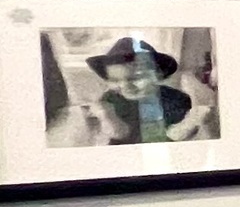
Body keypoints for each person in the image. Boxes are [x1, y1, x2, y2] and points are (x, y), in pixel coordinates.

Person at [72, 35, 208, 145]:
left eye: (135, 78)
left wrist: (193, 117)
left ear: (158, 74)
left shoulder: (176, 99)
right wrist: (106, 115)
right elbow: (117, 134)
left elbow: (175, 135)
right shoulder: (110, 99)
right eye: (114, 80)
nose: (125, 86)